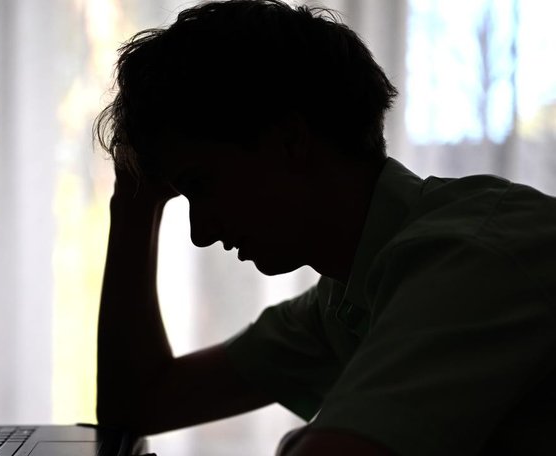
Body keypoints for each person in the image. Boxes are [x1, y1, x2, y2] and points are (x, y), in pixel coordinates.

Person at [94, 1, 556, 455]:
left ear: (289, 142)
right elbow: (140, 404)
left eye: (199, 184)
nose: (201, 232)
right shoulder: (346, 296)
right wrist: (134, 204)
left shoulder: (468, 258)